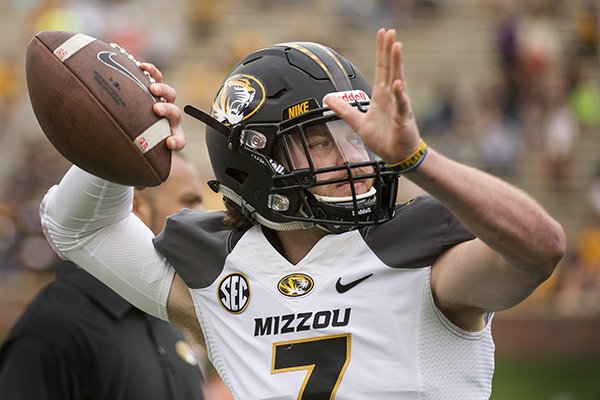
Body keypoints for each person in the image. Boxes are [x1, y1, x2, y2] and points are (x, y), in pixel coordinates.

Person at [39, 29, 565, 399]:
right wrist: (130, 134)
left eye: (355, 136)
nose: (355, 157)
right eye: (321, 142)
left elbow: (540, 248)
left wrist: (418, 160)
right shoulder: (217, 274)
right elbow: (75, 225)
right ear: (251, 159)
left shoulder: (419, 256)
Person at [0, 154, 206, 400]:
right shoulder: (54, 328)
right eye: (189, 202)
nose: (201, 217)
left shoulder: (163, 315)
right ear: (135, 205)